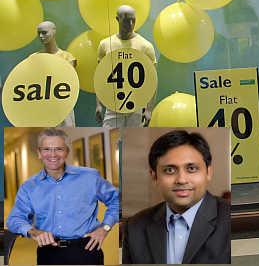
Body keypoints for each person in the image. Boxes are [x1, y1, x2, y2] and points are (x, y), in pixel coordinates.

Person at [6, 128, 120, 265]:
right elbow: (14, 219)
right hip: (48, 253)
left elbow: (116, 200)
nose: (52, 154)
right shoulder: (29, 187)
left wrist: (105, 228)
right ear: (39, 153)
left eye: (59, 149)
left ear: (67, 152)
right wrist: (33, 232)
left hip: (87, 251)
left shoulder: (90, 177)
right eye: (46, 149)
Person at [122, 130, 231, 264]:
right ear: (154, 176)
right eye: (170, 170)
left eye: (191, 168)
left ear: (208, 172)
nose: (181, 180)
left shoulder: (230, 218)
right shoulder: (135, 227)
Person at [96, 5, 157, 127]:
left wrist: (149, 109)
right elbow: (100, 77)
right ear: (117, 19)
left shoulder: (145, 46)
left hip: (137, 105)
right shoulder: (105, 45)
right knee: (108, 140)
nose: (130, 24)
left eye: (132, 20)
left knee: (134, 142)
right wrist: (98, 104)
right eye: (125, 20)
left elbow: (152, 80)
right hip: (113, 104)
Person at [36, 21, 77, 126]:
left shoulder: (67, 57)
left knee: (67, 134)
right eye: (39, 33)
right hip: (43, 106)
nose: (41, 36)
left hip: (63, 105)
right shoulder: (35, 58)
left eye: (44, 32)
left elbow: (68, 83)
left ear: (53, 32)